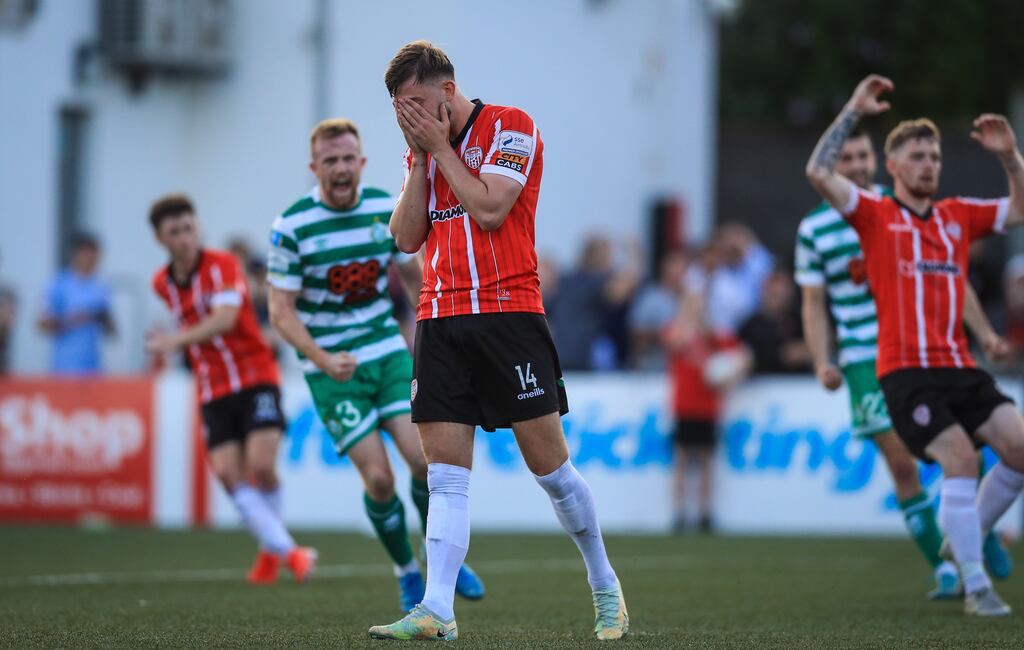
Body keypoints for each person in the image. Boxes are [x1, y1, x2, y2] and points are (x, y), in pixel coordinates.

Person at [369, 40, 628, 641]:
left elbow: (489, 209)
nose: (407, 116)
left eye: (416, 103)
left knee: (551, 470)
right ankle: (438, 608)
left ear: (448, 92)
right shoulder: (422, 152)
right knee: (445, 475)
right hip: (439, 318)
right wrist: (419, 160)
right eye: (398, 108)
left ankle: (604, 583)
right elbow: (406, 239)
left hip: (508, 316)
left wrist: (437, 151)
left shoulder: (511, 126)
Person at [806, 73, 1024, 616]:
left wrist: (1011, 157)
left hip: (961, 366)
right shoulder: (876, 216)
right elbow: (817, 171)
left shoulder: (956, 217)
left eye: (935, 156)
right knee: (959, 458)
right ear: (894, 167)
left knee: (1019, 449)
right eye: (918, 155)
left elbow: (1019, 210)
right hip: (904, 371)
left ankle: (962, 531)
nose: (929, 163)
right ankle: (975, 585)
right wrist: (854, 108)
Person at [266, 118, 485, 612]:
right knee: (380, 479)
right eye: (331, 161)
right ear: (314, 167)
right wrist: (322, 358)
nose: (341, 168)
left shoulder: (383, 205)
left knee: (425, 463)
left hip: (386, 352)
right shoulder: (292, 226)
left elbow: (414, 279)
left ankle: (441, 559)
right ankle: (406, 571)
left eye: (348, 159)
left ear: (361, 162)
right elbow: (280, 311)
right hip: (332, 371)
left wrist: (431, 339)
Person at [146, 194, 316, 585]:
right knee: (227, 474)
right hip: (213, 388)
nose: (186, 237)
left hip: (256, 374)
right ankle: (284, 551)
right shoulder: (161, 283)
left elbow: (224, 320)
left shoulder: (223, 265)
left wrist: (176, 340)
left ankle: (281, 551)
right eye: (175, 232)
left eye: (189, 227)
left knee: (260, 466)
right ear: (161, 240)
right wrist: (181, 341)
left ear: (198, 227)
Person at [664, 281, 749, 533]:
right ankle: (679, 513)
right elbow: (675, 342)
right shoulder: (678, 330)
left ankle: (704, 513)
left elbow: (744, 356)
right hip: (684, 405)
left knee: (705, 462)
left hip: (708, 406)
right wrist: (689, 318)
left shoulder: (716, 337)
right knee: (681, 460)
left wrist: (732, 375)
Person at [37, 233, 115, 375]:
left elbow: (111, 332)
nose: (92, 259)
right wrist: (79, 317)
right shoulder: (58, 284)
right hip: (63, 369)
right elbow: (42, 325)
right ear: (76, 254)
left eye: (95, 255)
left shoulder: (101, 287)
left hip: (93, 369)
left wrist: (106, 320)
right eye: (87, 254)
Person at [738, 268, 812, 374]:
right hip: (762, 385)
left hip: (800, 385)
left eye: (783, 287)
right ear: (764, 289)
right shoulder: (750, 326)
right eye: (773, 289)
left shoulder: (801, 320)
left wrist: (808, 351)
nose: (779, 291)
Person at [629, 250, 688, 371]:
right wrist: (663, 335)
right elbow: (635, 332)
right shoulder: (650, 297)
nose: (679, 271)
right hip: (653, 370)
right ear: (665, 268)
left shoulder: (690, 298)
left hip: (682, 370)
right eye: (675, 265)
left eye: (683, 266)